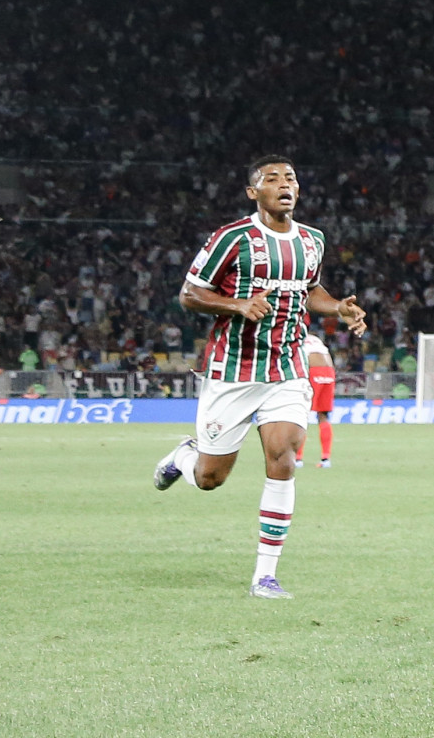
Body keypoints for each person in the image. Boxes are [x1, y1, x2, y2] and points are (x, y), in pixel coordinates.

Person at [152, 155, 367, 598]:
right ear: (254, 193)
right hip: (233, 371)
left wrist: (338, 309)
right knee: (212, 478)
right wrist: (237, 305)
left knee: (283, 458)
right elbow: (190, 294)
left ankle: (264, 576)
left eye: (290, 177)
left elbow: (310, 292)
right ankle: (182, 459)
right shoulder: (233, 238)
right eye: (272, 179)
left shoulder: (312, 241)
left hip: (287, 366)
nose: (284, 184)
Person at [293, 332, 335, 468]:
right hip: (329, 372)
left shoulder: (295, 336)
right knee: (323, 415)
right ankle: (326, 459)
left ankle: (298, 459)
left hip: (313, 370)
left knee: (301, 414)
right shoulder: (316, 339)